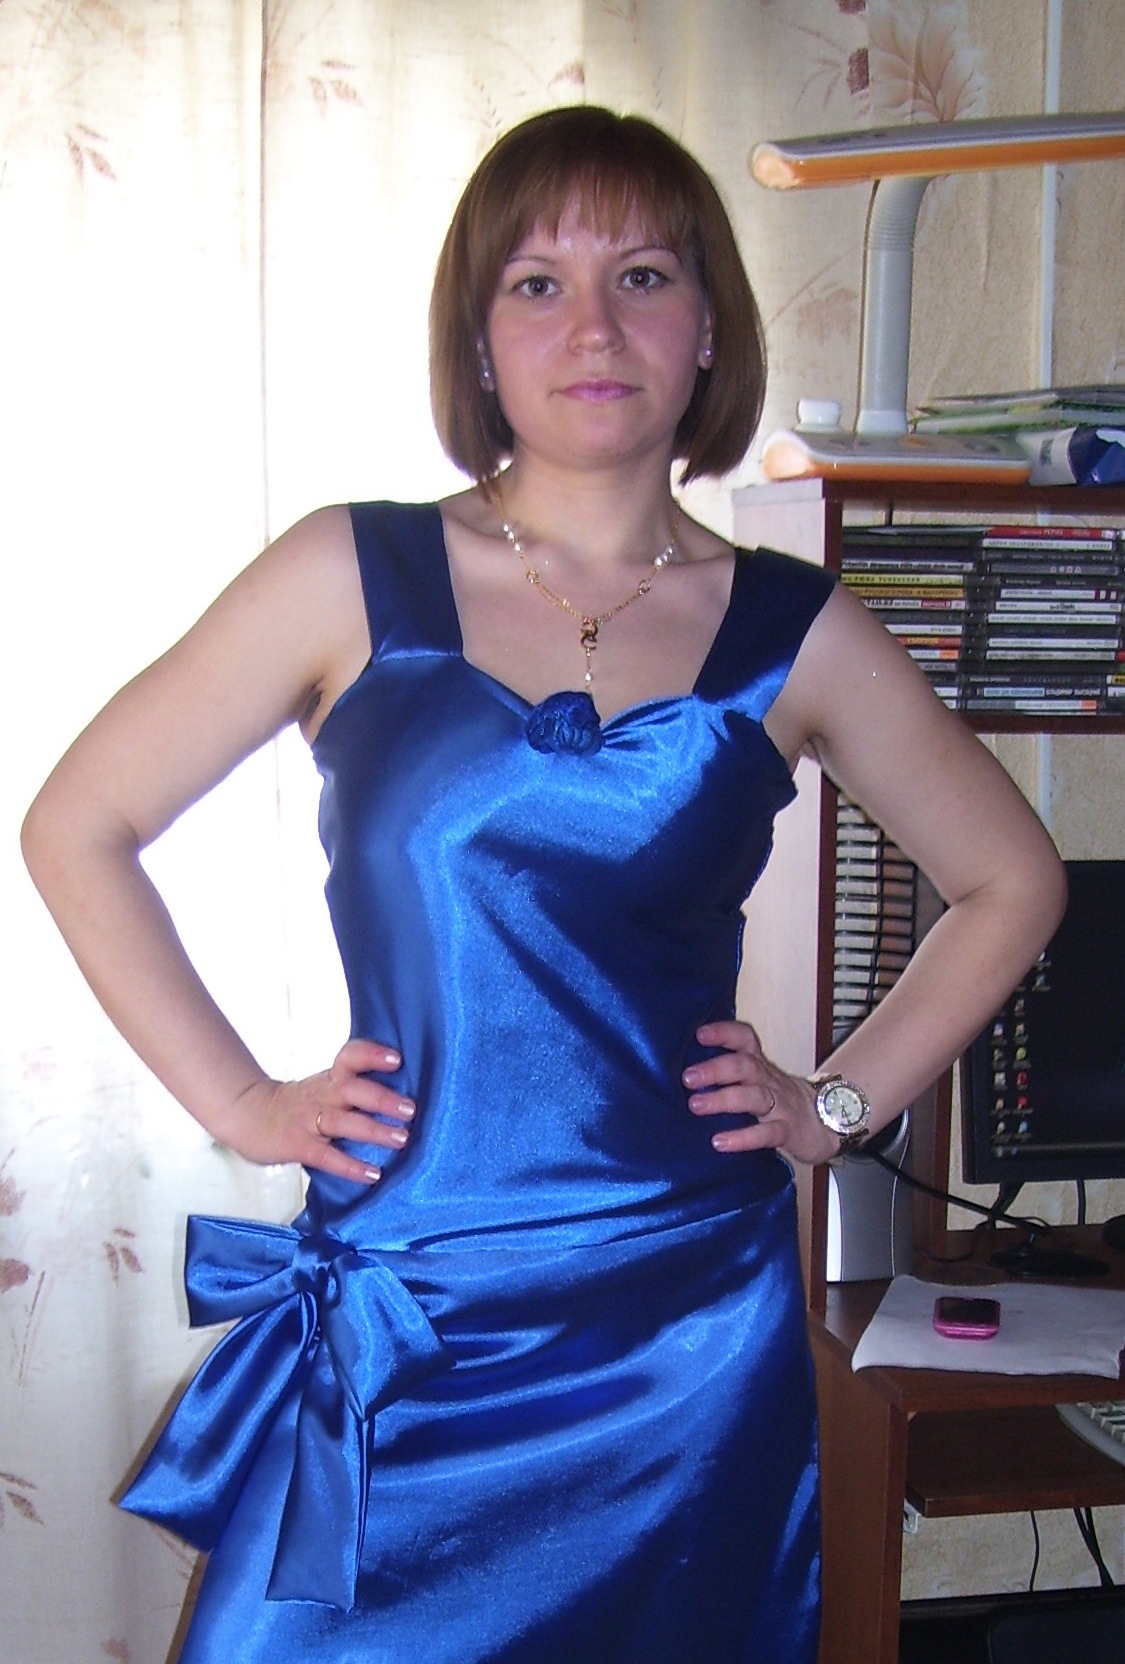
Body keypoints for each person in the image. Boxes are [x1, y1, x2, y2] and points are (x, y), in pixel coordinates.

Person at [22, 105, 1065, 1663]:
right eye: (536, 283)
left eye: (641, 276)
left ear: (706, 327)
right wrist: (241, 1101)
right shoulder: (344, 573)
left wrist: (832, 1105)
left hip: (677, 1332)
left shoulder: (792, 631)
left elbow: (1010, 880)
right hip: (409, 1308)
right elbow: (77, 824)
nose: (592, 326)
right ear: (478, 337)